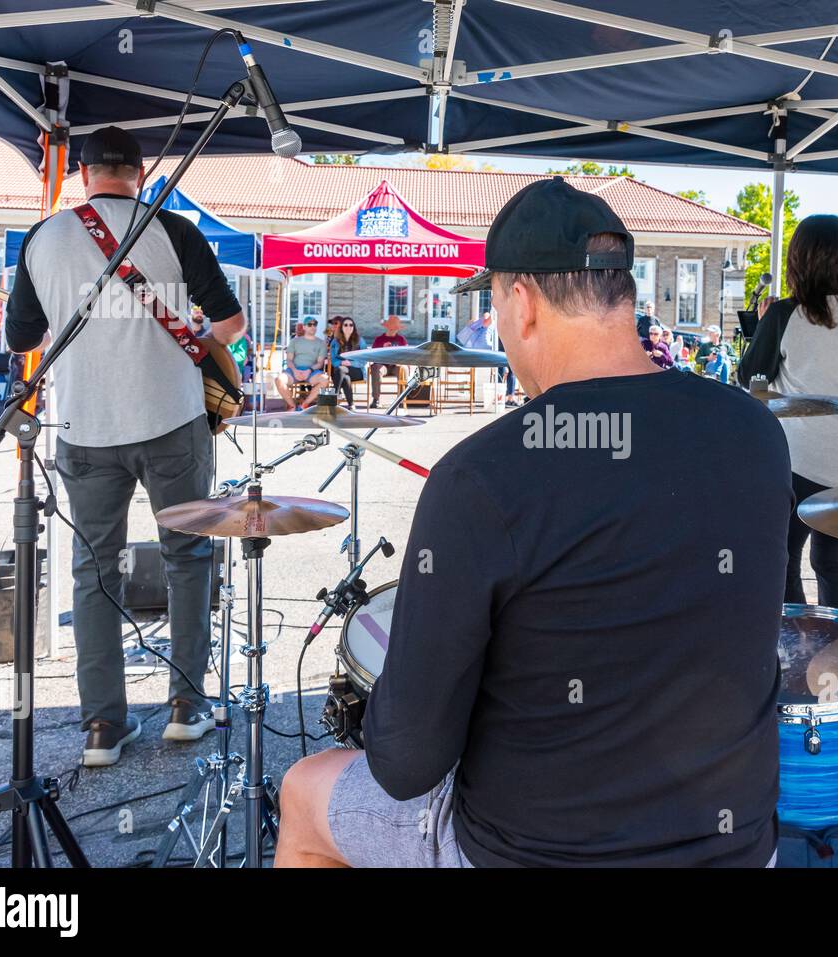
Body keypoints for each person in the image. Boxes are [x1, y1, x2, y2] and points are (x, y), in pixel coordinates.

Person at [276, 176, 791, 868]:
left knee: (304, 791)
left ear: (521, 304)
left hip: (531, 853)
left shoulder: (481, 479)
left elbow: (405, 764)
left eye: (492, 308)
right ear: (623, 294)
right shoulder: (755, 434)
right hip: (738, 847)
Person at [4, 126, 246, 766]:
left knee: (94, 573)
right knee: (189, 559)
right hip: (171, 421)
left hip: (84, 426)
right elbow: (230, 325)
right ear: (139, 174)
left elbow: (20, 334)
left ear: (83, 175)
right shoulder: (173, 231)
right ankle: (186, 707)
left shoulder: (43, 237)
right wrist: (186, 324)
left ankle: (103, 729)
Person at [738, 214, 838, 612]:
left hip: (806, 459)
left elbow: (749, 377)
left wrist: (760, 334)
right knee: (831, 559)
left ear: (797, 258)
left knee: (785, 560)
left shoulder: (787, 314)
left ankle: (800, 650)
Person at [275, 317, 327, 409]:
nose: (312, 327)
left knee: (325, 379)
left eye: (314, 324)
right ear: (304, 327)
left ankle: (305, 404)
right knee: (279, 380)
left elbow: (320, 363)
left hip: (312, 372)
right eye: (309, 325)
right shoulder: (294, 341)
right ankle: (292, 406)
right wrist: (295, 370)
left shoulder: (321, 343)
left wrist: (309, 371)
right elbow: (289, 360)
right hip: (294, 371)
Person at [368, 314, 408, 408]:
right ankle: (376, 399)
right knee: (376, 368)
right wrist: (383, 348)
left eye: (395, 328)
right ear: (387, 327)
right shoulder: (379, 339)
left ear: (398, 329)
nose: (393, 330)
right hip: (383, 365)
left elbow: (406, 355)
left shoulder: (401, 340)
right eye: (391, 328)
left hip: (396, 365)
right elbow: (373, 355)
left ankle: (401, 399)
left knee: (404, 368)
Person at [328, 317, 364, 408]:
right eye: (345, 325)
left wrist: (351, 363)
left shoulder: (360, 341)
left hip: (357, 370)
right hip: (342, 370)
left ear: (354, 327)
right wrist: (341, 363)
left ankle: (334, 395)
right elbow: (332, 359)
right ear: (342, 327)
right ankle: (351, 404)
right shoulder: (335, 342)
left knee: (340, 371)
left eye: (351, 325)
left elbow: (364, 360)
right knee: (345, 377)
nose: (348, 327)